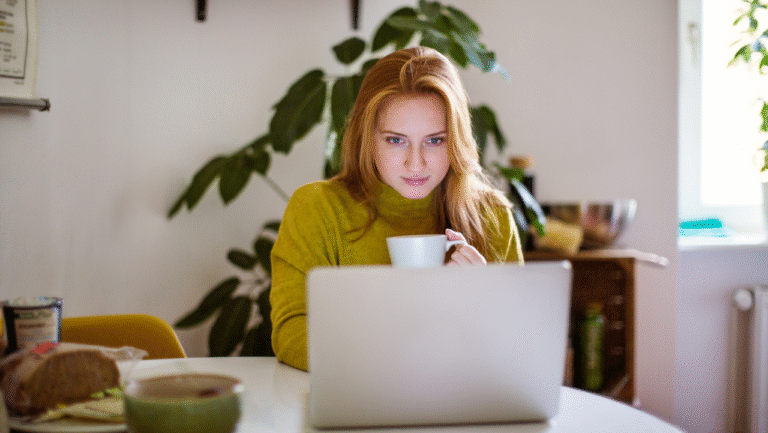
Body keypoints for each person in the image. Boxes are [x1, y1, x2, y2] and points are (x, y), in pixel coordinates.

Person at [270, 46, 523, 371]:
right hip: (354, 406)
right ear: (367, 138)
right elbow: (291, 334)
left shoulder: (492, 215)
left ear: (457, 140)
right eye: (395, 140)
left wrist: (480, 305)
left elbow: (516, 349)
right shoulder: (317, 209)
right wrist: (398, 355)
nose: (415, 163)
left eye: (435, 140)